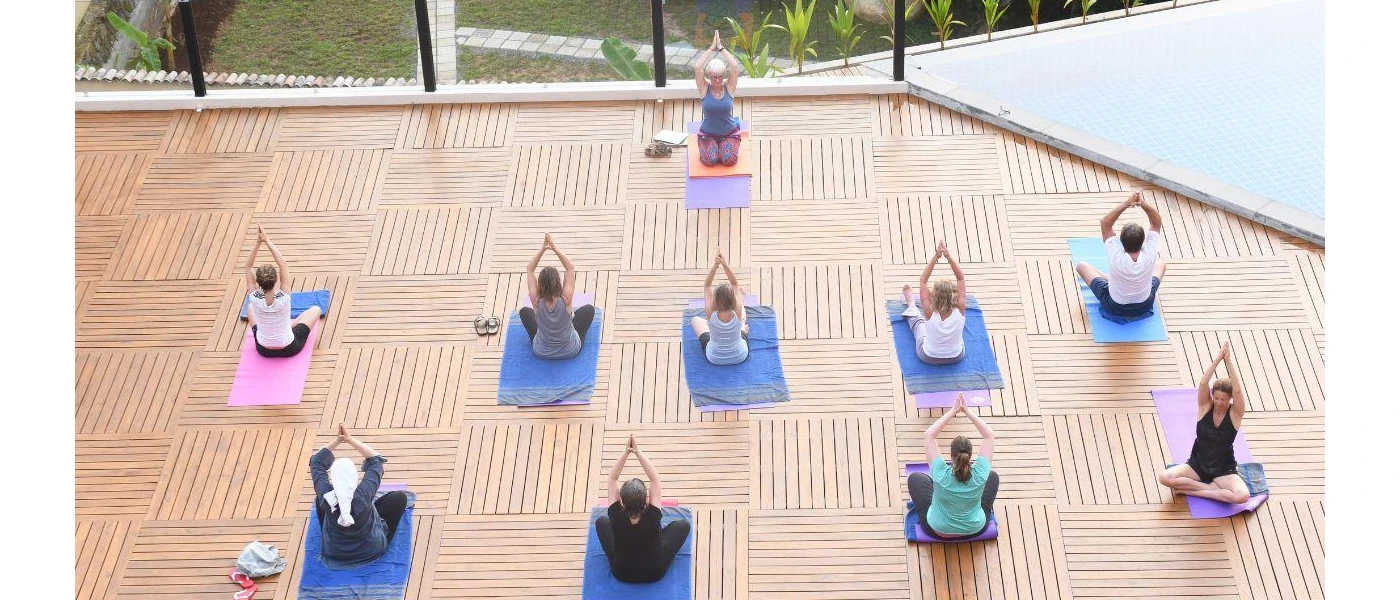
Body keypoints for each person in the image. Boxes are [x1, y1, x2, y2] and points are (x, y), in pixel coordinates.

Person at [1157, 342, 1251, 505]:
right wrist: (1217, 359)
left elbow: (1237, 391)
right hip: (1197, 464)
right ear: (1212, 395)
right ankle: (1209, 489)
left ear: (1229, 399)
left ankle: (1203, 492)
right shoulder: (1205, 407)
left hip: (1223, 469)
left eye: (1223, 399)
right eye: (1216, 398)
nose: (1219, 402)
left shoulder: (1235, 414)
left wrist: (1228, 362)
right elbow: (1202, 383)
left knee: (1242, 496)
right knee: (1165, 477)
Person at [309, 424, 410, 569]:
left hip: (334, 553)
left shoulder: (326, 495)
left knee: (320, 501)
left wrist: (337, 441)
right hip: (371, 550)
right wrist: (349, 440)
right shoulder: (363, 494)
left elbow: (316, 462)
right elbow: (376, 460)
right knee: (400, 498)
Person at [596, 434, 692, 583]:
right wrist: (638, 452)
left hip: (621, 572)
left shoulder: (615, 514)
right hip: (654, 572)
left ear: (622, 500)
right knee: (683, 525)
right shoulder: (654, 514)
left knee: (601, 522)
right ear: (645, 499)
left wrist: (626, 452)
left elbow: (612, 479)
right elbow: (655, 479)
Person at [908, 393, 1000, 540]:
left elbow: (929, 435)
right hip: (976, 529)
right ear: (970, 456)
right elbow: (989, 435)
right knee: (993, 476)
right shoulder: (981, 473)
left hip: (936, 530)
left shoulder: (940, 473)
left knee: (916, 478)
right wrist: (967, 411)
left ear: (951, 456)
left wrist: (953, 411)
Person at [1075, 190, 1167, 322]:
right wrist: (1142, 203)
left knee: (1082, 266)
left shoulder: (1115, 255)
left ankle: (1108, 278)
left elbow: (1105, 223)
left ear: (1121, 242)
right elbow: (1156, 223)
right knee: (1161, 264)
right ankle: (1109, 279)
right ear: (1143, 242)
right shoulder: (1150, 253)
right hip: (1145, 305)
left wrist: (1127, 203)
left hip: (1114, 307)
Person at [244, 225, 321, 358]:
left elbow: (248, 266)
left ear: (259, 282)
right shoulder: (284, 297)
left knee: (250, 308)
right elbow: (283, 265)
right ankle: (290, 325)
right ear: (276, 280)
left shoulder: (254, 297)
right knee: (315, 310)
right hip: (289, 348)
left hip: (263, 349)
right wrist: (267, 240)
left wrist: (258, 243)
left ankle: (288, 326)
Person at [520, 233, 595, 360]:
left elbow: (530, 269)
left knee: (524, 312)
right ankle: (569, 317)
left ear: (540, 284)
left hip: (541, 352)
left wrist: (543, 249)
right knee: (589, 309)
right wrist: (554, 249)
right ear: (558, 282)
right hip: (570, 350)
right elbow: (570, 268)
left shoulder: (536, 301)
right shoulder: (566, 299)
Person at [901, 240, 967, 365]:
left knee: (919, 323)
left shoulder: (929, 311)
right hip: (957, 356)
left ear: (933, 296)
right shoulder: (960, 307)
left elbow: (923, 280)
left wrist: (936, 256)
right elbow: (961, 278)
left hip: (928, 357)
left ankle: (911, 304)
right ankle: (911, 304)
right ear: (953, 295)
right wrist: (948, 257)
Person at [694, 30, 743, 168]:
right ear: (709, 77)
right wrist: (711, 48)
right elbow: (698, 67)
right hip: (708, 133)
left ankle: (728, 144)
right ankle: (712, 146)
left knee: (728, 160)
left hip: (729, 132)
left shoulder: (729, 87)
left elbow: (734, 66)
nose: (717, 79)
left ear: (724, 76)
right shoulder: (704, 88)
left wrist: (721, 48)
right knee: (710, 161)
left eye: (720, 76)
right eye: (714, 76)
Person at [690, 251, 748, 365]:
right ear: (733, 299)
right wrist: (725, 265)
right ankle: (742, 329)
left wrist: (715, 266)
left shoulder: (710, 312)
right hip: (740, 356)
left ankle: (740, 329)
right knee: (743, 314)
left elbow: (707, 285)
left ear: (715, 299)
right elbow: (734, 284)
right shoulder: (737, 309)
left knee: (695, 320)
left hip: (714, 358)